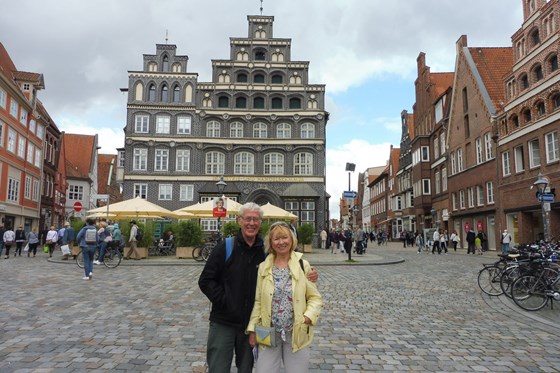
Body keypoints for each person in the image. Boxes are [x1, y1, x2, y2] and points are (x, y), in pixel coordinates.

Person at [198, 202, 318, 373]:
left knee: (246, 368)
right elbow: (205, 281)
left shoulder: (266, 252)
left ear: (260, 222)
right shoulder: (226, 247)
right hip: (223, 321)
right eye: (247, 219)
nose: (251, 223)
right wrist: (226, 301)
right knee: (218, 367)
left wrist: (311, 274)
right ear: (239, 220)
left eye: (256, 219)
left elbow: (289, 265)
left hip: (251, 326)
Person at [247, 221, 322, 372]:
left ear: (292, 239)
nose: (281, 242)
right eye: (276, 238)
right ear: (271, 242)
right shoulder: (263, 267)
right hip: (268, 332)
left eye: (285, 237)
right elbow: (258, 301)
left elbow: (315, 298)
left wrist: (307, 317)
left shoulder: (303, 265)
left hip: (296, 332)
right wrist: (252, 330)